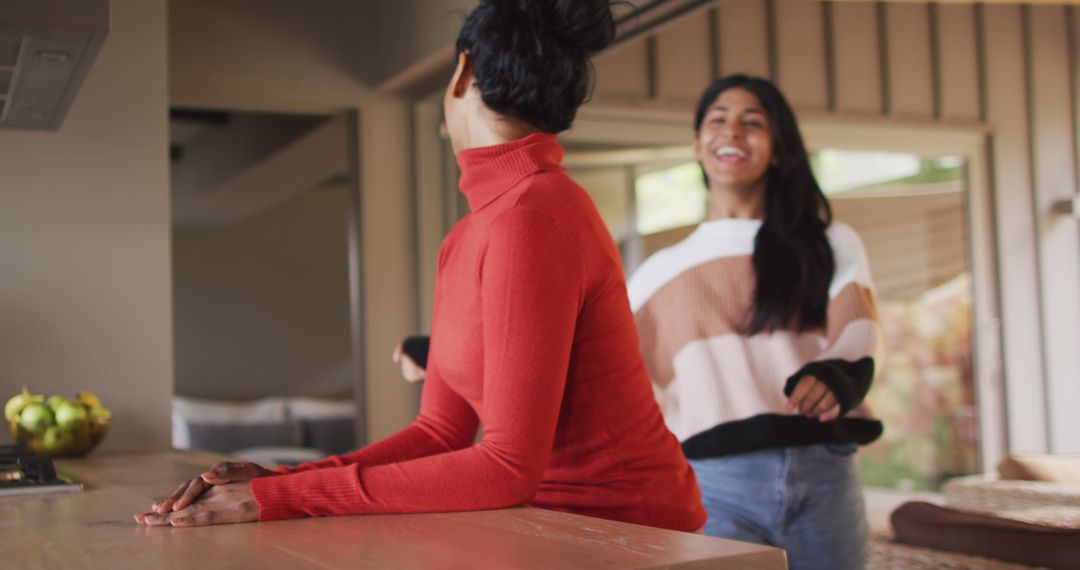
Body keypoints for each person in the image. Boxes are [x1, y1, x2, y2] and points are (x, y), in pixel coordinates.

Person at [135, 0, 706, 532]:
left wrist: (282, 500)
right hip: (545, 525)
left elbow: (506, 468)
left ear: (461, 73)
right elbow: (439, 432)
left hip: (626, 531)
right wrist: (282, 481)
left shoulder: (535, 216)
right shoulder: (470, 233)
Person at [626, 74, 883, 569]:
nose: (733, 131)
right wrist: (445, 352)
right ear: (698, 145)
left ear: (778, 148)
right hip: (712, 482)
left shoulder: (831, 243)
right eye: (717, 120)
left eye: (753, 122)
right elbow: (589, 352)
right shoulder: (660, 272)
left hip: (824, 469)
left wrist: (837, 374)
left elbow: (859, 326)